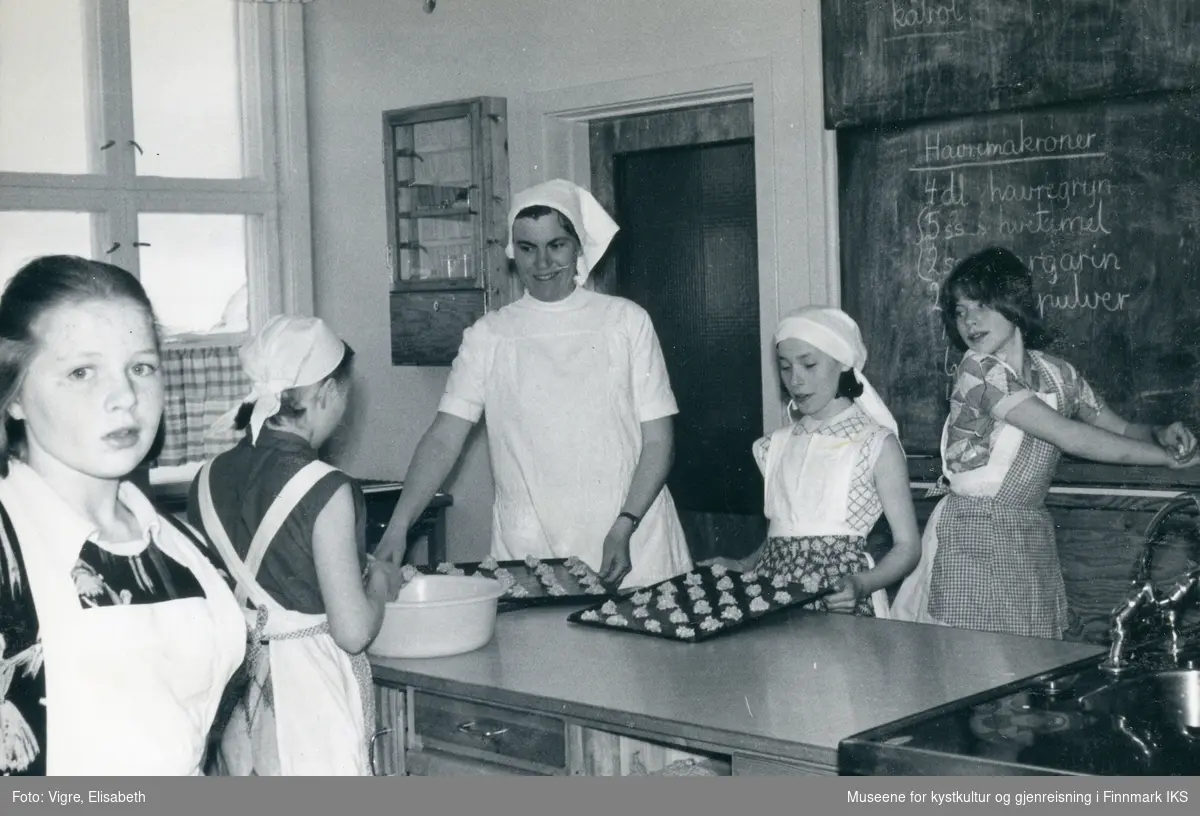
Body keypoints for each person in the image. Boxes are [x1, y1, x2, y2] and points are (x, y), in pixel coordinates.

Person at [375, 178, 692, 590]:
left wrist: (624, 526)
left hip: (632, 541)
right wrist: (399, 525)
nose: (542, 263)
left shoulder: (625, 322)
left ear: (578, 245)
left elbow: (658, 442)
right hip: (530, 550)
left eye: (556, 245)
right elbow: (443, 439)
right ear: (512, 252)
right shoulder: (489, 336)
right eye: (527, 248)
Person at [0, 255, 246, 775]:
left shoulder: (183, 547)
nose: (126, 398)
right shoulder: (9, 547)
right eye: (82, 372)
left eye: (141, 367)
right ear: (14, 394)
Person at [892, 247, 1199, 638]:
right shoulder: (977, 370)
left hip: (1029, 536)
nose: (969, 320)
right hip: (973, 535)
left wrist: (1159, 432)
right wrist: (1167, 460)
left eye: (981, 305)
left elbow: (1118, 429)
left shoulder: (1057, 373)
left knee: (1028, 664)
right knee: (977, 668)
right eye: (959, 310)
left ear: (1013, 303)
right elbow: (1069, 435)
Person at [187, 314, 403, 775]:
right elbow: (353, 630)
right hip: (307, 703)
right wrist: (380, 585)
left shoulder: (205, 479)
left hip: (235, 703)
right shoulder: (327, 488)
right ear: (326, 393)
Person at [712, 307, 921, 616]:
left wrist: (863, 584)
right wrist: (744, 565)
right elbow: (785, 534)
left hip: (839, 600)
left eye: (809, 364)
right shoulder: (775, 445)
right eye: (785, 367)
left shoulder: (875, 443)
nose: (795, 380)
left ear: (843, 364)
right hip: (771, 595)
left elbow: (908, 546)